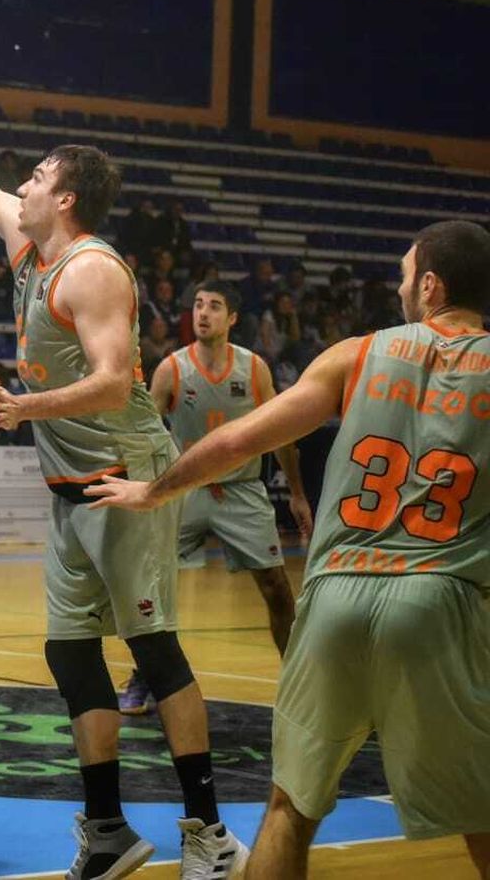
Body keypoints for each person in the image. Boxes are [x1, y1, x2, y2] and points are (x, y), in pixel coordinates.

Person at [0, 0, 235, 864]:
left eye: (35, 176)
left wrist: (22, 406)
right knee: (69, 654)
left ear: (64, 197)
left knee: (153, 648)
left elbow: (116, 383)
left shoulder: (92, 271)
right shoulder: (25, 243)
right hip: (69, 488)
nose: (21, 184)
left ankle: (208, 833)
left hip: (130, 477)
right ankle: (108, 832)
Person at [87, 221, 490, 880]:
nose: (399, 288)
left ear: (431, 285)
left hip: (333, 598)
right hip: (439, 602)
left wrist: (154, 492)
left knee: (290, 807)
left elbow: (236, 442)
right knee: (482, 814)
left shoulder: (358, 354)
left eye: (403, 276)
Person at [119, 282, 315, 717]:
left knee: (278, 589)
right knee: (152, 588)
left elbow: (281, 434)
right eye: (198, 306)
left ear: (233, 319)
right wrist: (143, 490)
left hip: (242, 491)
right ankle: (143, 674)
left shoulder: (254, 368)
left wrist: (298, 495)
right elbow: (147, 435)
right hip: (186, 490)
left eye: (214, 306)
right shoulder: (171, 368)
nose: (203, 313)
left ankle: (302, 682)